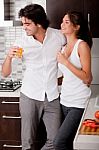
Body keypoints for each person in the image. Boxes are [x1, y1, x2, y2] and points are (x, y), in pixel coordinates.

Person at [1, 4, 66, 150]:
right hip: (30, 96)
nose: (24, 27)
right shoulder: (22, 42)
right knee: (27, 143)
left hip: (52, 96)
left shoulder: (58, 36)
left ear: (39, 22)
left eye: (27, 23)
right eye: (23, 23)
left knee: (55, 142)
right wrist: (8, 57)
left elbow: (72, 52)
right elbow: (5, 73)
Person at [53, 11, 93, 150]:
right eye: (62, 21)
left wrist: (65, 62)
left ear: (76, 27)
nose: (62, 24)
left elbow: (87, 77)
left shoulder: (82, 46)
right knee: (69, 142)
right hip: (64, 101)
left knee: (59, 142)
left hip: (79, 103)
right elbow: (67, 76)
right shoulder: (63, 47)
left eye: (67, 22)